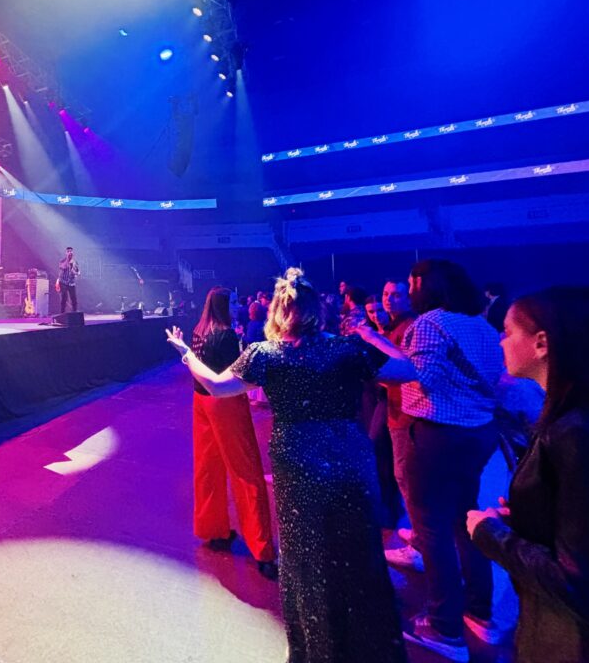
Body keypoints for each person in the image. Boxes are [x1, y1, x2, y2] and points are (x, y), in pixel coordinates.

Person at [167, 268, 415, 663]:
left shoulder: (265, 355)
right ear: (317, 309)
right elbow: (408, 370)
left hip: (300, 463)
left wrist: (185, 354)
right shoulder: (349, 350)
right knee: (359, 552)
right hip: (350, 460)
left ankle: (317, 651)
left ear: (278, 313)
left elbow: (215, 384)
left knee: (308, 559)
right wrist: (370, 336)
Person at [467, 287, 589, 663]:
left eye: (508, 331)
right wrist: (528, 520)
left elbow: (583, 586)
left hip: (573, 643)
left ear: (541, 343)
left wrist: (492, 535)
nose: (500, 342)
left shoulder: (574, 435)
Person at [388, 259, 504, 662]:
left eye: (409, 283)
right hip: (478, 434)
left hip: (438, 435)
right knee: (464, 523)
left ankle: (444, 628)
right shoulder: (481, 325)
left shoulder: (430, 323)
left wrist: (372, 363)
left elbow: (424, 377)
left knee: (433, 530)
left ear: (423, 285)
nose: (407, 289)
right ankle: (480, 612)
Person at [187, 288, 276, 578]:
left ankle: (213, 531)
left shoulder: (198, 331)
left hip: (201, 403)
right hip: (225, 404)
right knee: (246, 472)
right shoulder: (225, 335)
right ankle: (262, 550)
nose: (239, 305)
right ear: (224, 306)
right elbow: (233, 375)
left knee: (207, 468)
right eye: (235, 302)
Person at [381, 279, 418, 551]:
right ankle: (417, 532)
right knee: (402, 474)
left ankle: (418, 544)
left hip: (406, 413)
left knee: (406, 476)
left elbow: (404, 373)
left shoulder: (409, 328)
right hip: (395, 410)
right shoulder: (394, 326)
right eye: (386, 294)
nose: (389, 299)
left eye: (396, 295)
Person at [56, 246, 80, 313]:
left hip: (71, 283)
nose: (70, 252)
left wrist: (75, 272)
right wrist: (68, 260)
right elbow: (63, 267)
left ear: (73, 252)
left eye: (71, 251)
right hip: (63, 282)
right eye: (68, 251)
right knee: (64, 296)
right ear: (66, 253)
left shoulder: (75, 262)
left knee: (74, 298)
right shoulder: (62, 261)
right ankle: (62, 312)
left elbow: (78, 272)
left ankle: (75, 312)